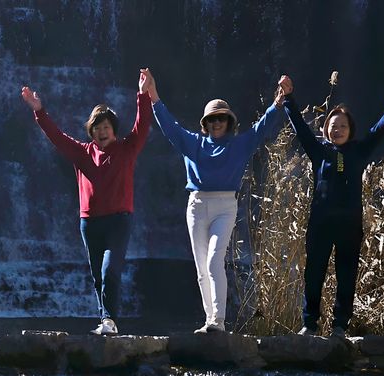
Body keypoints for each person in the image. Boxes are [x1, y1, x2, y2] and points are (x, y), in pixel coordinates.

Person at [142, 68, 293, 333]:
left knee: (214, 261)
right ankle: (209, 320)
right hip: (197, 205)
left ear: (229, 121)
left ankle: (219, 322)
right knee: (202, 267)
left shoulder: (240, 144)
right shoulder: (193, 144)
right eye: (212, 119)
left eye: (221, 118)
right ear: (206, 123)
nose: (216, 123)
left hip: (225, 206)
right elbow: (169, 126)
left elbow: (262, 128)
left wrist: (279, 100)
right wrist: (153, 94)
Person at [284, 77, 384, 338]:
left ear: (350, 130)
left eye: (343, 126)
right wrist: (289, 99)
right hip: (320, 224)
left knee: (346, 276)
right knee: (313, 274)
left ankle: (339, 326)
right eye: (333, 126)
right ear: (326, 130)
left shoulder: (359, 151)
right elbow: (301, 128)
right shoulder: (319, 151)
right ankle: (309, 324)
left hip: (349, 225)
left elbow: (381, 128)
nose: (337, 130)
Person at [21, 71, 152, 335]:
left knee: (110, 269)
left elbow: (142, 125)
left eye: (106, 127)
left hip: (119, 220)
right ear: (91, 131)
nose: (101, 132)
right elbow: (58, 137)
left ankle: (109, 320)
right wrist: (39, 111)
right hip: (89, 222)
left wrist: (143, 95)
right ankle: (106, 320)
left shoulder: (127, 148)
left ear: (114, 130)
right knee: (97, 275)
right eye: (97, 128)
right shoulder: (83, 152)